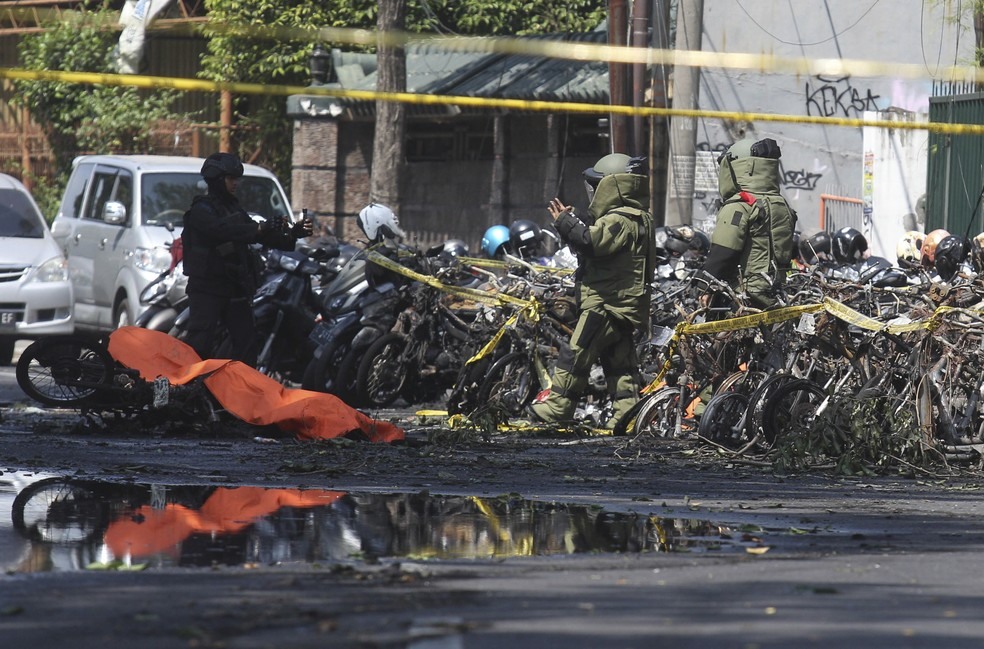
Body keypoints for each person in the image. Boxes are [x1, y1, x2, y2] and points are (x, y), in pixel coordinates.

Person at [529, 153, 656, 428]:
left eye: (597, 185)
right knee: (619, 364)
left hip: (605, 304)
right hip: (624, 305)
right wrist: (572, 224)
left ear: (614, 186)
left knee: (575, 354)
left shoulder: (619, 219)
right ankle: (628, 416)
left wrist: (565, 223)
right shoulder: (639, 217)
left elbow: (591, 242)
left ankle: (558, 409)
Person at [181, 152, 313, 365]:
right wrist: (259, 227)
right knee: (199, 344)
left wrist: (292, 234)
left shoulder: (233, 207)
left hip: (234, 288)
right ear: (217, 180)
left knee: (246, 346)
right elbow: (225, 230)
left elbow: (257, 233)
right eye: (231, 179)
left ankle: (242, 394)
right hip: (207, 289)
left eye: (236, 179)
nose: (236, 183)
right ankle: (186, 391)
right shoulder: (200, 210)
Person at [701, 137, 797, 309]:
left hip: (744, 296)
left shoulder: (740, 206)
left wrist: (703, 286)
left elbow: (723, 252)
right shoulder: (780, 204)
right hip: (776, 291)